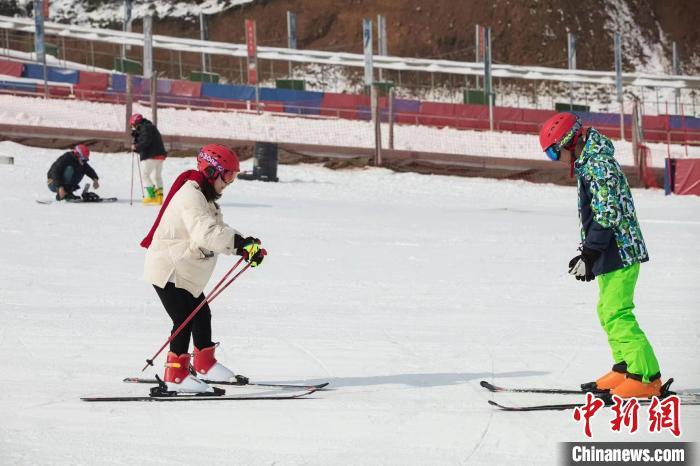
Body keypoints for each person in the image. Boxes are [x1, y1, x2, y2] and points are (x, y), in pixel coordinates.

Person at [539, 112, 662, 398]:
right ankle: (625, 368)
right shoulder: (589, 162)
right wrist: (587, 254)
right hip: (612, 250)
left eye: (554, 152)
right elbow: (599, 214)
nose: (556, 159)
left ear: (569, 142)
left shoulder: (598, 164)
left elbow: (608, 214)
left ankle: (646, 377)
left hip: (621, 250)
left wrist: (591, 254)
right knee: (606, 311)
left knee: (617, 313)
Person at [140, 144, 266, 393]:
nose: (230, 182)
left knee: (200, 314)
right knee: (183, 319)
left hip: (182, 269)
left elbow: (217, 228)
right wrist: (240, 246)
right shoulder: (191, 195)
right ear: (211, 172)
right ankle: (175, 375)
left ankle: (205, 364)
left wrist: (245, 244)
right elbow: (205, 233)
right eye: (228, 175)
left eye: (233, 176)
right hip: (169, 269)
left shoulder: (203, 195)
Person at [130, 113, 167, 206]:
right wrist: (137, 140)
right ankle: (159, 197)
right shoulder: (149, 127)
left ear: (136, 122)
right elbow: (147, 140)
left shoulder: (145, 128)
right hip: (160, 155)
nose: (133, 127)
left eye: (133, 125)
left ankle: (152, 196)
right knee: (156, 176)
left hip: (152, 156)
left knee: (145, 175)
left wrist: (136, 146)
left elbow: (146, 141)